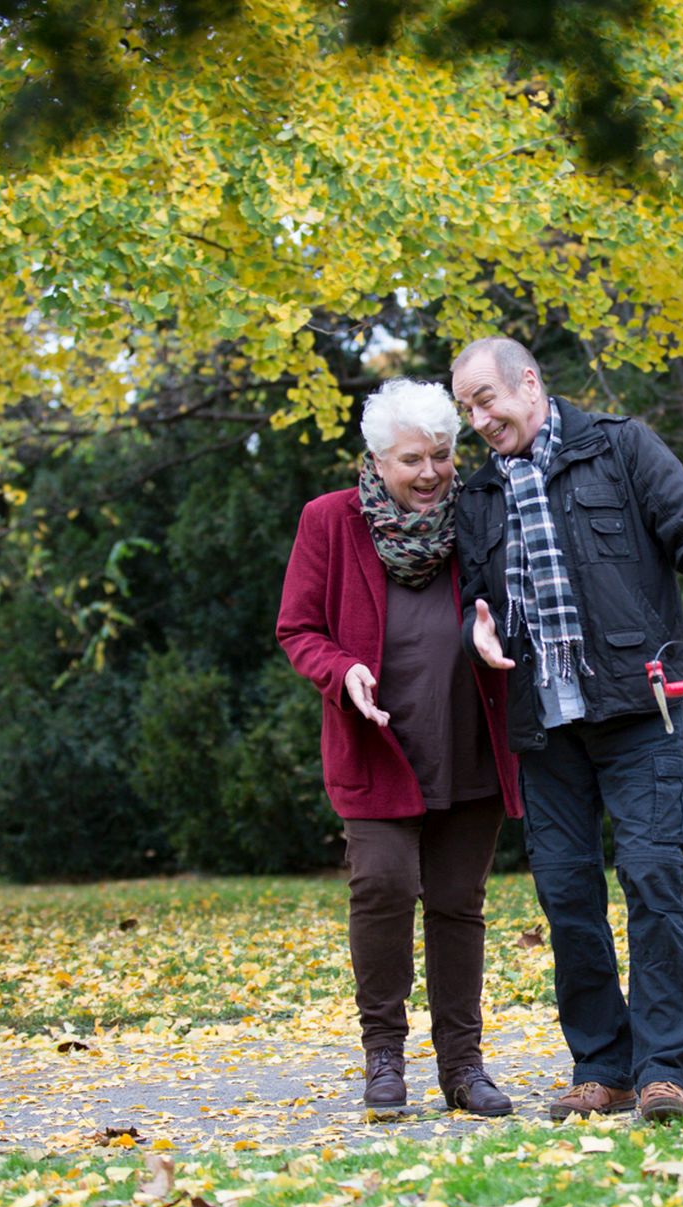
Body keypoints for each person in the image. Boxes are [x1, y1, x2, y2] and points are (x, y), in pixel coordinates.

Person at [451, 337, 683, 1123]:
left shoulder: (621, 447)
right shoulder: (478, 500)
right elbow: (471, 595)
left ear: (528, 383)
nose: (479, 419)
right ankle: (601, 1066)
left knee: (652, 877)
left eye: (486, 400)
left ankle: (664, 1066)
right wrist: (475, 626)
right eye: (468, 409)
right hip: (544, 728)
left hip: (642, 710)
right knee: (568, 896)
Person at [277, 377, 522, 1117]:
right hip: (378, 747)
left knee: (457, 903)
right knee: (382, 887)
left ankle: (463, 1067)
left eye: (442, 456)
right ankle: (383, 1055)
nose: (430, 474)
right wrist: (343, 669)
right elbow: (298, 630)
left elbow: (514, 600)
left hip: (469, 741)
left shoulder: (479, 514)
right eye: (412, 459)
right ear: (378, 461)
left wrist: (496, 634)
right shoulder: (330, 521)